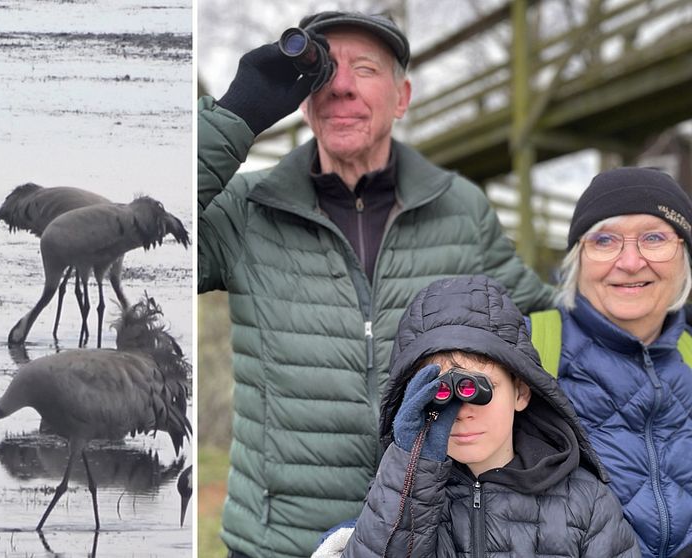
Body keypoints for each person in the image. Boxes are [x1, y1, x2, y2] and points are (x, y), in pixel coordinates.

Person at [197, 10, 555, 557]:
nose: (341, 86)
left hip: (429, 536)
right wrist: (235, 116)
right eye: (325, 72)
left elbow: (547, 320)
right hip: (278, 543)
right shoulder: (244, 210)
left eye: (365, 69)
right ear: (305, 98)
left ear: (402, 96)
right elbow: (128, 229)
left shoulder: (460, 209)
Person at [320, 274, 639, 557]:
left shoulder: (587, 502)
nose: (461, 413)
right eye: (440, 394)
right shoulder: (396, 498)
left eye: (479, 390)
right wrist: (411, 468)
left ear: (521, 392)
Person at [530, 167, 692, 558]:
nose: (631, 262)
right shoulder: (525, 347)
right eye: (605, 240)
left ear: (684, 255)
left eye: (654, 238)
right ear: (578, 258)